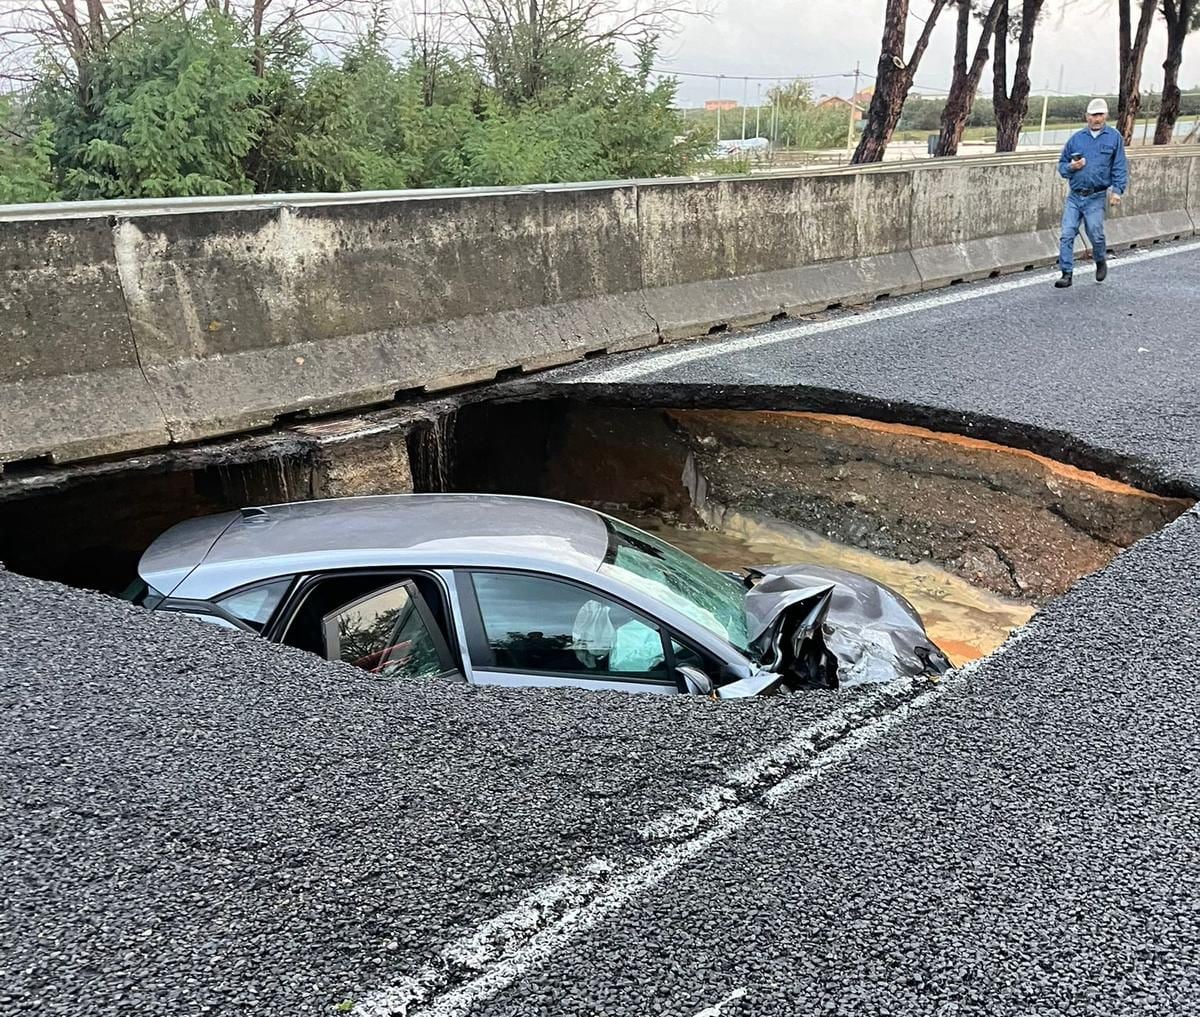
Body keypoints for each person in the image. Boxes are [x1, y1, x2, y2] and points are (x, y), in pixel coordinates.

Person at [1054, 98, 1128, 288]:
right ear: (1087, 117)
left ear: (1106, 116)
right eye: (1094, 115)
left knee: (1095, 233)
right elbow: (1061, 167)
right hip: (1075, 195)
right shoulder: (1076, 139)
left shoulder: (1114, 137)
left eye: (1100, 115)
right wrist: (1072, 167)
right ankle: (1066, 273)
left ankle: (1100, 259)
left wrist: (1117, 191)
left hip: (1096, 196)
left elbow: (1119, 166)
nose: (1097, 119)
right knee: (1067, 233)